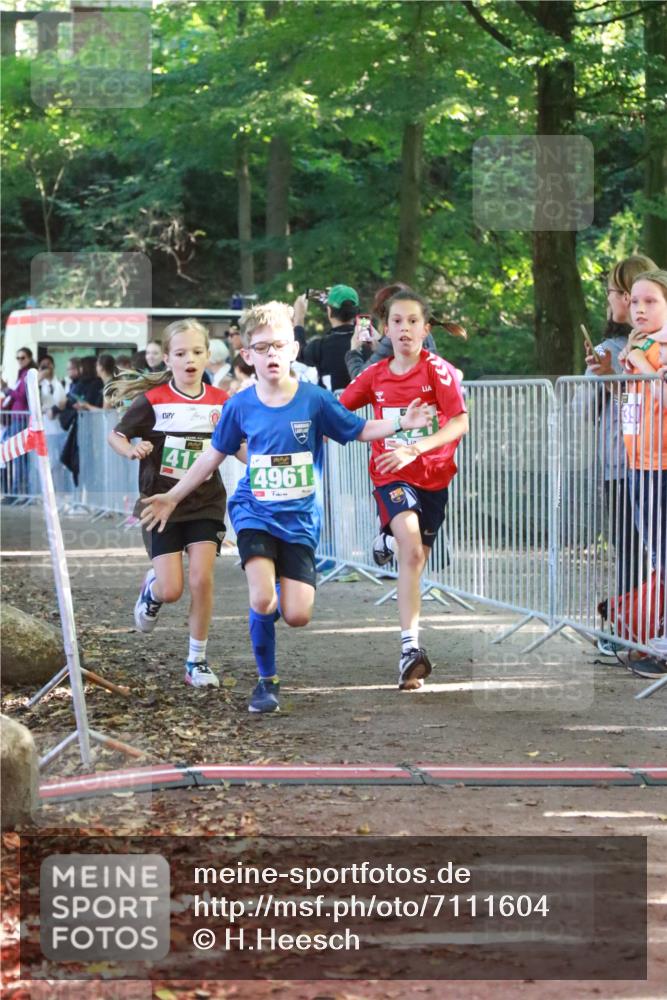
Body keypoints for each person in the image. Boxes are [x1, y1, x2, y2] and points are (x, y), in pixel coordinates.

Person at [139, 301, 431, 713]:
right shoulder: (240, 405)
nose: (271, 354)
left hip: (299, 520)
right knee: (262, 600)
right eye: (261, 347)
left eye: (278, 345)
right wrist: (172, 495)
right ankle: (266, 682)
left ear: (294, 349)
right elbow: (212, 456)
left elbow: (359, 429)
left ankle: (274, 600)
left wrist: (403, 423)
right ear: (247, 355)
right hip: (254, 512)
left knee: (297, 615)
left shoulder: (313, 400)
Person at [339, 288, 469, 690]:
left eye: (413, 321)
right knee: (411, 549)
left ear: (425, 329)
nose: (405, 328)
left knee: (414, 561)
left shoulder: (437, 370)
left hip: (434, 475)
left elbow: (459, 422)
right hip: (390, 473)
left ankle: (386, 537)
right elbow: (341, 411)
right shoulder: (374, 375)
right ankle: (410, 650)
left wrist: (417, 446)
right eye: (397, 321)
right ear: (385, 330)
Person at [106, 319, 229, 689]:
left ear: (208, 356)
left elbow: (238, 444)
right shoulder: (154, 400)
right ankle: (153, 590)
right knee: (172, 588)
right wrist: (132, 448)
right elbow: (116, 435)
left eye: (196, 352)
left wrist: (259, 456)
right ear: (167, 359)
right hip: (160, 504)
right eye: (180, 353)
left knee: (201, 578)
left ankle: (196, 660)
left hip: (206, 502)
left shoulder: (223, 402)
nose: (189, 359)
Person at [582, 254, 656, 654]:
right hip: (634, 461)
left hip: (630, 464)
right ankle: (635, 630)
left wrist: (599, 378)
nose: (608, 299)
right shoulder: (627, 346)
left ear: (627, 296)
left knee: (635, 550)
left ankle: (633, 632)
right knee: (641, 550)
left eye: (611, 291)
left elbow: (584, 409)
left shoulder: (626, 347)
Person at [618, 270, 667, 679]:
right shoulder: (643, 345)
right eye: (635, 301)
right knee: (658, 555)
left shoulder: (659, 349)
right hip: (641, 463)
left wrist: (639, 362)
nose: (639, 308)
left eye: (650, 301)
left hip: (662, 465)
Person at [345, 282, 445, 381]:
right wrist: (380, 344)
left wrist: (354, 350)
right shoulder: (424, 332)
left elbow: (360, 380)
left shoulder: (393, 338)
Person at [294, 284, 361, 392]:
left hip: (330, 407)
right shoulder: (368, 342)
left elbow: (298, 352)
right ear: (357, 312)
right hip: (364, 407)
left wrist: (299, 318)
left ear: (329, 311)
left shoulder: (320, 347)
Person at [0, 346, 37, 496]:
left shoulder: (28, 374)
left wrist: (7, 389)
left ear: (29, 358)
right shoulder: (22, 374)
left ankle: (19, 492)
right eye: (18, 358)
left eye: (23, 358)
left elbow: (21, 396)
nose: (20, 361)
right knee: (14, 455)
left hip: (21, 419)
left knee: (18, 457)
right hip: (16, 419)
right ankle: (17, 491)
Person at [37, 355, 71, 492]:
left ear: (53, 366)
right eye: (43, 366)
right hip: (45, 429)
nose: (46, 369)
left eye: (48, 365)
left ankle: (61, 490)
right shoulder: (38, 385)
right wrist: (38, 380)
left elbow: (63, 402)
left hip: (60, 428)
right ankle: (49, 491)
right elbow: (34, 402)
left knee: (59, 462)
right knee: (48, 462)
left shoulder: (61, 382)